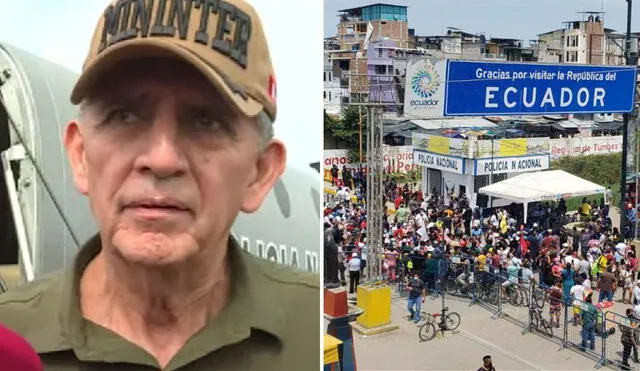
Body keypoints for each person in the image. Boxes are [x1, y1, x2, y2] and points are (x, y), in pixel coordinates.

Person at [0, 1, 320, 369]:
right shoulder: (9, 343)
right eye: (124, 116)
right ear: (81, 156)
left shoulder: (313, 331)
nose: (163, 159)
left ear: (260, 172)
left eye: (205, 122)